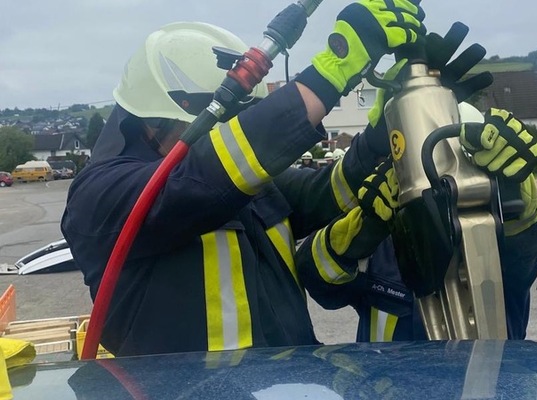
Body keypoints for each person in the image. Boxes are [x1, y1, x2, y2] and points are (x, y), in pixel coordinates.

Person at [60, 0, 426, 357]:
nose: (224, 134)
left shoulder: (245, 183)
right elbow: (202, 179)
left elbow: (324, 192)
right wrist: (333, 70)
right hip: (181, 387)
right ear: (152, 123)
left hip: (290, 380)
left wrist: (380, 137)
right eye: (216, 124)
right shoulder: (99, 196)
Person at [295, 103, 537, 341]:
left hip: (488, 375)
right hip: (385, 375)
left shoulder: (502, 240)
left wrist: (517, 199)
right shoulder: (384, 244)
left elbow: (526, 248)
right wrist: (365, 229)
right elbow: (319, 284)